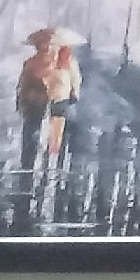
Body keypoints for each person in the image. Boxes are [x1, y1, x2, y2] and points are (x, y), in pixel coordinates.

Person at [15, 27, 85, 182]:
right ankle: (40, 167)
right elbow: (24, 84)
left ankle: (39, 166)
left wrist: (21, 100)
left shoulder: (61, 62)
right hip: (47, 100)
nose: (46, 47)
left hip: (48, 100)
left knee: (44, 134)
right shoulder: (61, 62)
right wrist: (74, 94)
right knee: (44, 133)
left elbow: (23, 84)